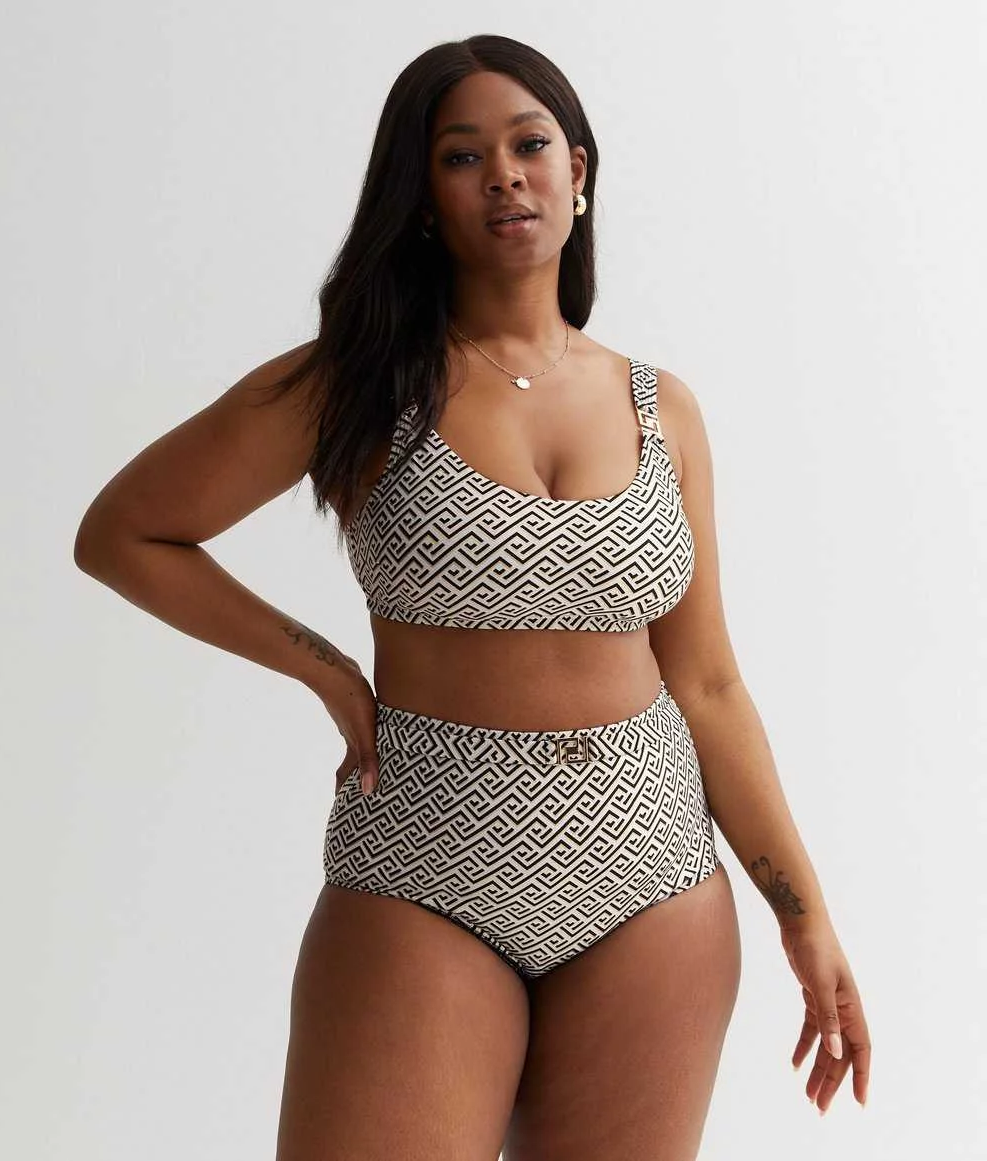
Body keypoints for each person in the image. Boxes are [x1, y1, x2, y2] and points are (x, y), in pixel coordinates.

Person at [74, 32, 871, 1161]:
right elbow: (126, 533)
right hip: (421, 867)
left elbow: (707, 682)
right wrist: (322, 667)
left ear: (576, 172)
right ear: (421, 197)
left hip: (652, 881)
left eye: (529, 145)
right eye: (461, 156)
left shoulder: (662, 409)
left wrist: (806, 916)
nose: (504, 175)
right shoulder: (354, 385)